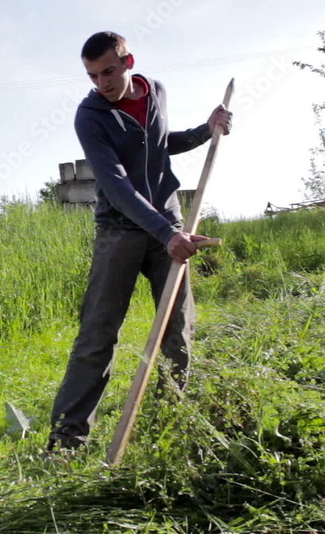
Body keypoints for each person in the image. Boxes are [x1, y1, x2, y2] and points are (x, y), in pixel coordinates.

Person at [47, 31, 232, 452]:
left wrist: (207, 130)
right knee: (97, 335)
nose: (101, 83)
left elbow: (159, 145)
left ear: (128, 63)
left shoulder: (157, 93)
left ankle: (172, 425)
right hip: (121, 231)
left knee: (177, 328)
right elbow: (115, 182)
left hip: (168, 221)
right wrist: (166, 233)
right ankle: (66, 442)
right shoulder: (89, 115)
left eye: (108, 71)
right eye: (92, 76)